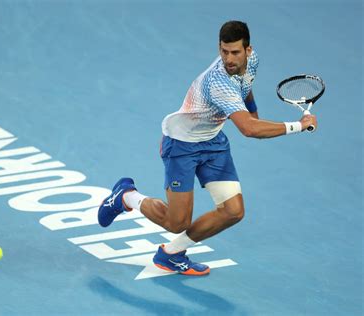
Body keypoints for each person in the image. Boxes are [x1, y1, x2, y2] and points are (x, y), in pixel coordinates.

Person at [98, 21, 317, 276]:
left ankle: (171, 254)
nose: (229, 58)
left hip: (212, 141)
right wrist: (298, 126)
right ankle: (126, 196)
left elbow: (246, 86)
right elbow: (249, 130)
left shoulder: (252, 60)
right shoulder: (218, 83)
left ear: (248, 50)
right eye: (224, 51)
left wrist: (252, 111)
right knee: (176, 222)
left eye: (235, 52)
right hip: (181, 145)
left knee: (233, 212)